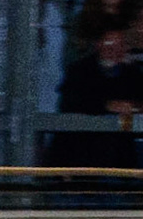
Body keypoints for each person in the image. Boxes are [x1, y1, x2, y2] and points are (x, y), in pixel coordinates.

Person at [50, 28, 142, 168]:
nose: (113, 50)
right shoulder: (80, 71)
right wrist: (107, 106)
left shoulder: (131, 73)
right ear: (98, 44)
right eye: (109, 44)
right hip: (83, 151)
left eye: (119, 45)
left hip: (120, 154)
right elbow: (72, 103)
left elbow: (139, 100)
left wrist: (133, 107)